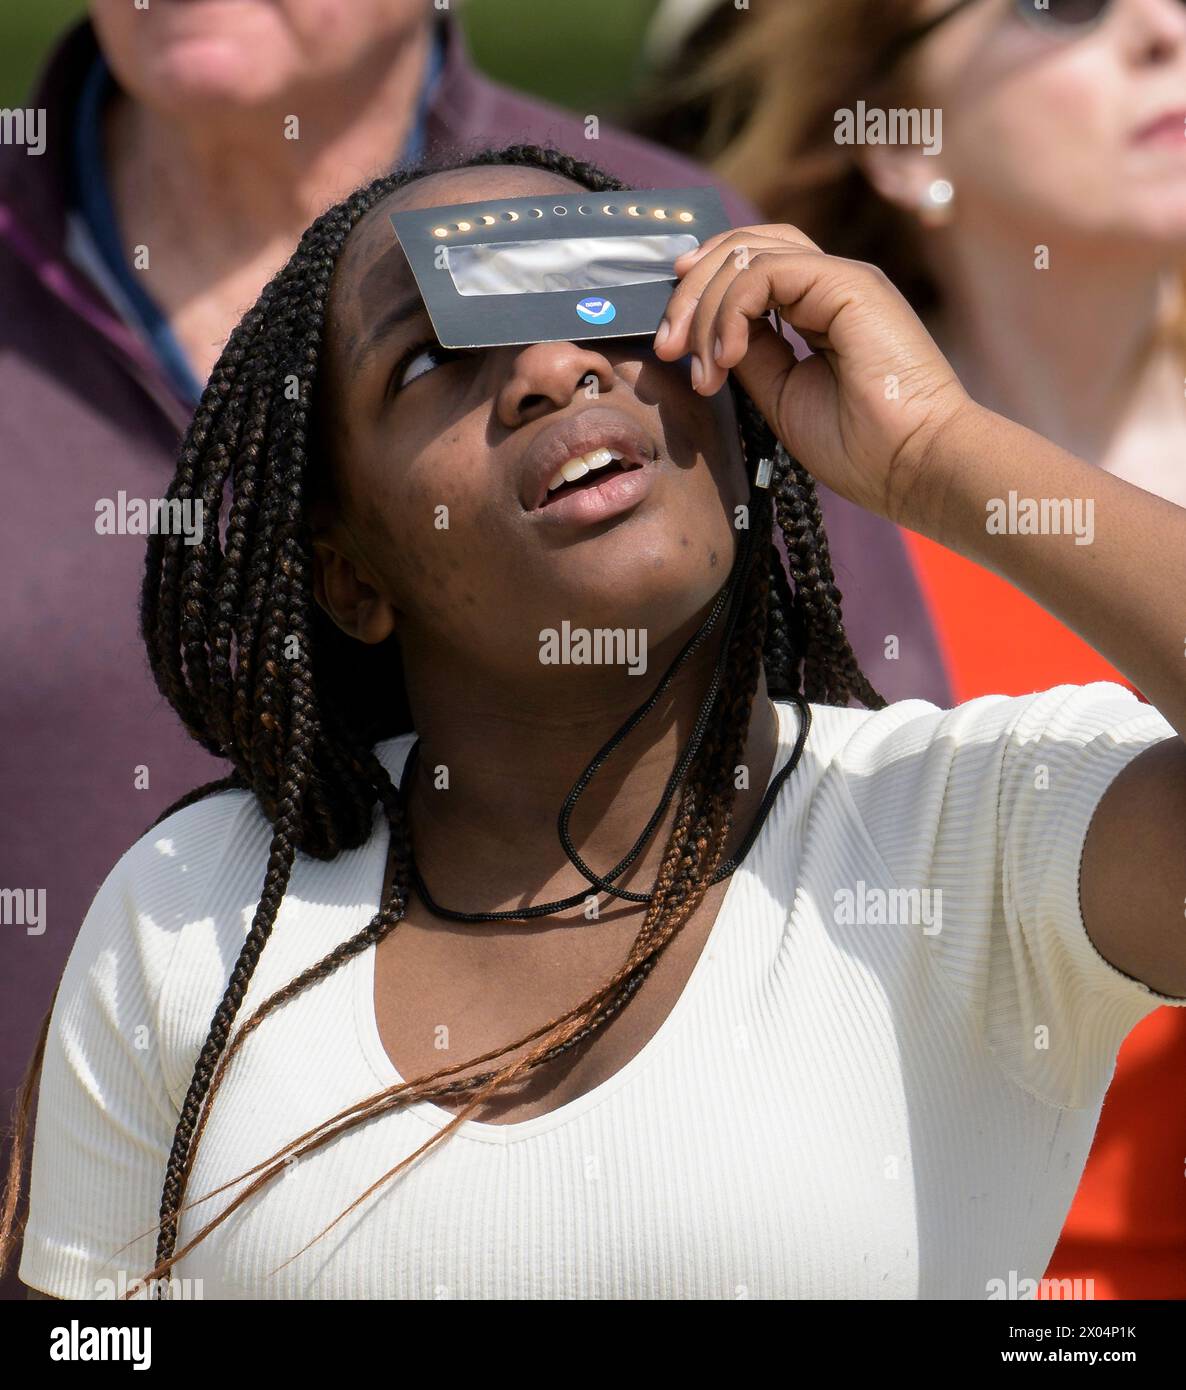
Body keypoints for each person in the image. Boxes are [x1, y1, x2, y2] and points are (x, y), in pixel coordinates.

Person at [5, 144, 1184, 1301]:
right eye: (425, 360)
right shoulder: (190, 908)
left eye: (613, 301)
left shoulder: (967, 828)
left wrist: (934, 450)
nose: (555, 365)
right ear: (347, 568)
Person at [635, 0, 1186, 1298]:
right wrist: (930, 458)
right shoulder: (772, 526)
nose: (1164, 31)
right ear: (897, 142)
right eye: (1060, 4)